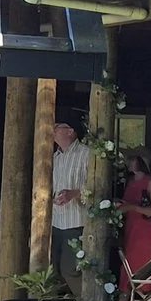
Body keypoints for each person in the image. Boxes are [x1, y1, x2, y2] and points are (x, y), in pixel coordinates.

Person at [50, 116, 92, 279]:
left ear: (70, 131)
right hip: (55, 221)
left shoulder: (87, 154)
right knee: (52, 269)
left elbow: (98, 187)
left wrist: (73, 193)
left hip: (76, 222)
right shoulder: (55, 157)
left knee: (70, 269)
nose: (52, 130)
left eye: (57, 126)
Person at [120, 148, 151, 283]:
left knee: (137, 269)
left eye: (133, 159)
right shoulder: (130, 181)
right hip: (130, 229)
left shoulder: (150, 182)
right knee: (131, 268)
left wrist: (133, 207)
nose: (130, 162)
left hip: (143, 232)